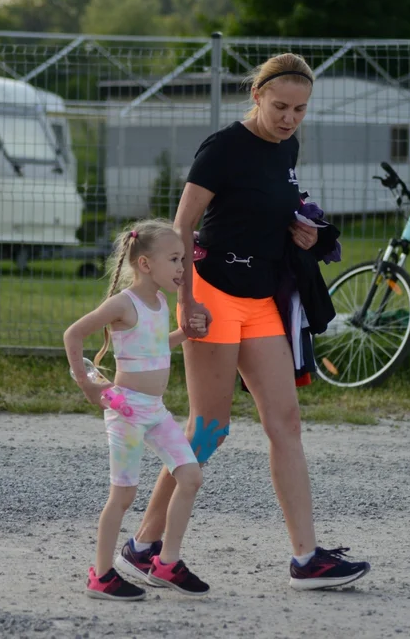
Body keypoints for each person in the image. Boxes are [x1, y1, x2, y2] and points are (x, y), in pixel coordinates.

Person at [121, 53, 371, 591]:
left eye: (300, 110)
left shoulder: (289, 146)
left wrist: (304, 231)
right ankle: (143, 544)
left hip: (261, 299)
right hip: (212, 294)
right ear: (257, 96)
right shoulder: (223, 147)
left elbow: (275, 206)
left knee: (287, 422)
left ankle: (307, 559)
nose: (289, 118)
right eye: (280, 106)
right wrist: (185, 301)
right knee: (209, 429)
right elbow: (183, 227)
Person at [64, 219, 210, 600]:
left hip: (156, 411)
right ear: (145, 264)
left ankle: (166, 563)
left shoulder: (160, 302)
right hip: (126, 411)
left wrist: (188, 333)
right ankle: (102, 574)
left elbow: (158, 344)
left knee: (191, 477)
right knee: (123, 496)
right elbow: (73, 334)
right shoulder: (122, 304)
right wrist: (88, 385)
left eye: (183, 259)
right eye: (175, 259)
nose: (182, 268)